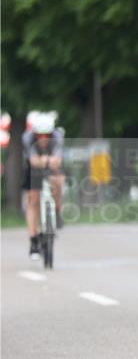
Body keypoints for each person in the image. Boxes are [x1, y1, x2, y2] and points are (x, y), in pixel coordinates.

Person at [22, 111, 65, 259]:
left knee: (58, 181)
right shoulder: (27, 138)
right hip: (32, 168)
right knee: (33, 199)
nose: (43, 138)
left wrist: (47, 161)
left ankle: (57, 210)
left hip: (51, 166)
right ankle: (34, 242)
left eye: (47, 134)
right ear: (35, 133)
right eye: (39, 135)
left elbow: (57, 161)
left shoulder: (58, 137)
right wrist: (47, 160)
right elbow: (33, 161)